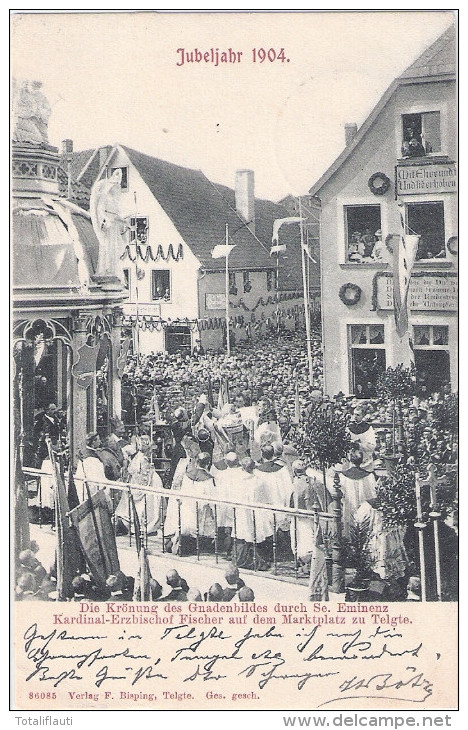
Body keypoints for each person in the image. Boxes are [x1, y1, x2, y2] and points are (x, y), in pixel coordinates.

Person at [114, 434, 164, 535]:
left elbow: (146, 477)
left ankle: (146, 526)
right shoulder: (138, 457)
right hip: (137, 483)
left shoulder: (143, 458)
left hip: (148, 484)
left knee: (147, 505)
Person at [289, 460, 323, 568]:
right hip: (309, 515)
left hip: (301, 516)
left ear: (294, 471)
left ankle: (305, 563)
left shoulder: (296, 483)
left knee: (302, 541)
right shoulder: (312, 481)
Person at [339, 449, 377, 539]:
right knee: (364, 527)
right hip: (365, 507)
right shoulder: (369, 476)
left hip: (349, 506)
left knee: (350, 527)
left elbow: (340, 494)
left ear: (350, 459)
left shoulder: (343, 476)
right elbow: (374, 494)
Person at [347, 406, 376, 472]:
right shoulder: (349, 427)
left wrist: (359, 445)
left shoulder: (368, 428)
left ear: (363, 416)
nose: (355, 416)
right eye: (354, 414)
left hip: (365, 461)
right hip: (352, 460)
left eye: (358, 415)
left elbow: (372, 446)